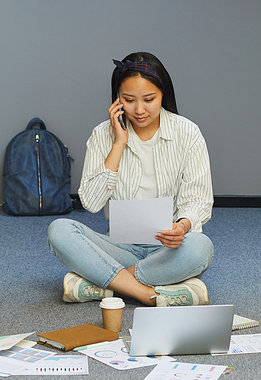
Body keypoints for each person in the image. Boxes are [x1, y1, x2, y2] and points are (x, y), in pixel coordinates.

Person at [47, 52, 214, 307]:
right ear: (117, 100)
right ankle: (148, 292)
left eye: (149, 99)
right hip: (119, 247)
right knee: (59, 231)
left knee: (200, 247)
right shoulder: (103, 134)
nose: (139, 110)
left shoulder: (187, 133)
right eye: (128, 100)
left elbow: (199, 200)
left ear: (163, 96)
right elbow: (91, 202)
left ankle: (105, 283)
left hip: (166, 250)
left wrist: (181, 227)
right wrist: (118, 144)